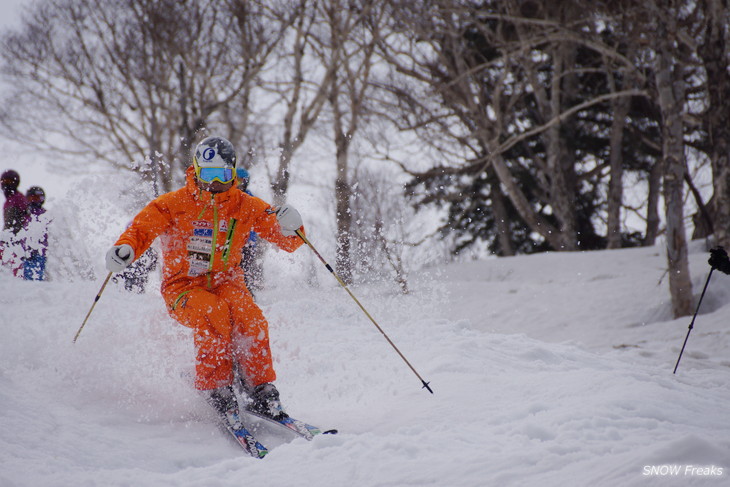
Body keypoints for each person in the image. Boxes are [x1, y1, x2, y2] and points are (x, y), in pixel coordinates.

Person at [104, 136, 306, 423]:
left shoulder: (245, 205)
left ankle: (260, 388)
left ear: (233, 173)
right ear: (196, 171)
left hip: (228, 282)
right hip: (182, 287)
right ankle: (216, 388)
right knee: (213, 312)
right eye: (206, 174)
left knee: (251, 317)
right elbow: (142, 228)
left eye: (222, 174)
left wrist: (292, 228)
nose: (213, 182)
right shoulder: (174, 204)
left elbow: (287, 241)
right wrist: (126, 248)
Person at [236, 167, 262, 292]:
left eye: (240, 181)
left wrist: (249, 243)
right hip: (231, 243)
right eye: (235, 181)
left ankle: (247, 294)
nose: (238, 184)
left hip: (247, 244)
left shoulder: (250, 199)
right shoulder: (229, 198)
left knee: (244, 272)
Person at [1, 170, 30, 277]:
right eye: (3, 181)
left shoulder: (19, 198)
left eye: (9, 181)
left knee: (17, 270)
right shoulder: (9, 200)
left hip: (17, 241)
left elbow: (28, 217)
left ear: (15, 182)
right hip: (8, 240)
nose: (6, 184)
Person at [24, 186, 50, 280]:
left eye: (39, 198)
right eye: (33, 197)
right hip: (26, 252)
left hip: (39, 252)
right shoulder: (26, 213)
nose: (35, 200)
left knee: (36, 277)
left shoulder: (44, 214)